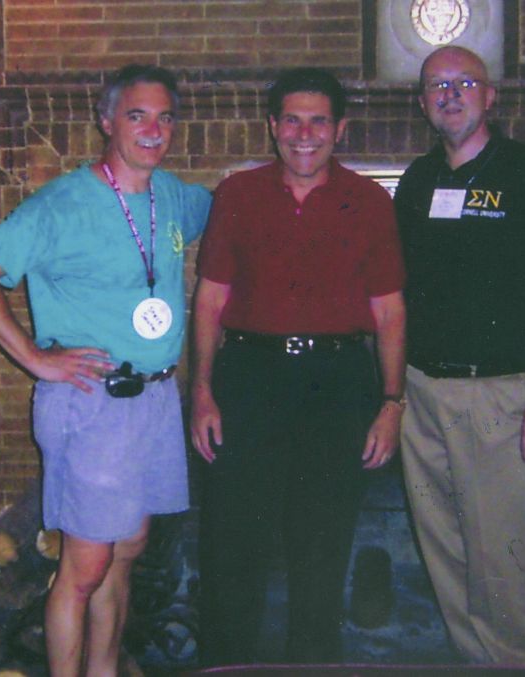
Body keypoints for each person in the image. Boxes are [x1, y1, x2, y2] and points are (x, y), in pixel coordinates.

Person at [0, 64, 211, 677]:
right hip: (91, 402)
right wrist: (35, 358)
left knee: (126, 554)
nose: (153, 129)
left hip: (152, 400)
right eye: (136, 115)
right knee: (86, 567)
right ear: (107, 121)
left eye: (164, 117)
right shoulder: (63, 202)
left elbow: (233, 209)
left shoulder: (174, 196)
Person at [190, 67, 406, 665]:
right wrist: (202, 391)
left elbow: (389, 311)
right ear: (272, 127)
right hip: (249, 380)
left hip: (337, 384)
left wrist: (391, 403)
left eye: (318, 121)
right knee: (233, 546)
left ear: (340, 129)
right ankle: (226, 666)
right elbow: (209, 299)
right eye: (291, 120)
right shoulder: (238, 194)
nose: (303, 134)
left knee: (322, 547)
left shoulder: (368, 201)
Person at [394, 46, 525, 666]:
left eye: (463, 83)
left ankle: (513, 661)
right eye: (436, 86)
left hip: (503, 394)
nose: (449, 94)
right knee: (443, 542)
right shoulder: (418, 181)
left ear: (490, 95)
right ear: (424, 101)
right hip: (422, 392)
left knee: (499, 546)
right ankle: (472, 658)